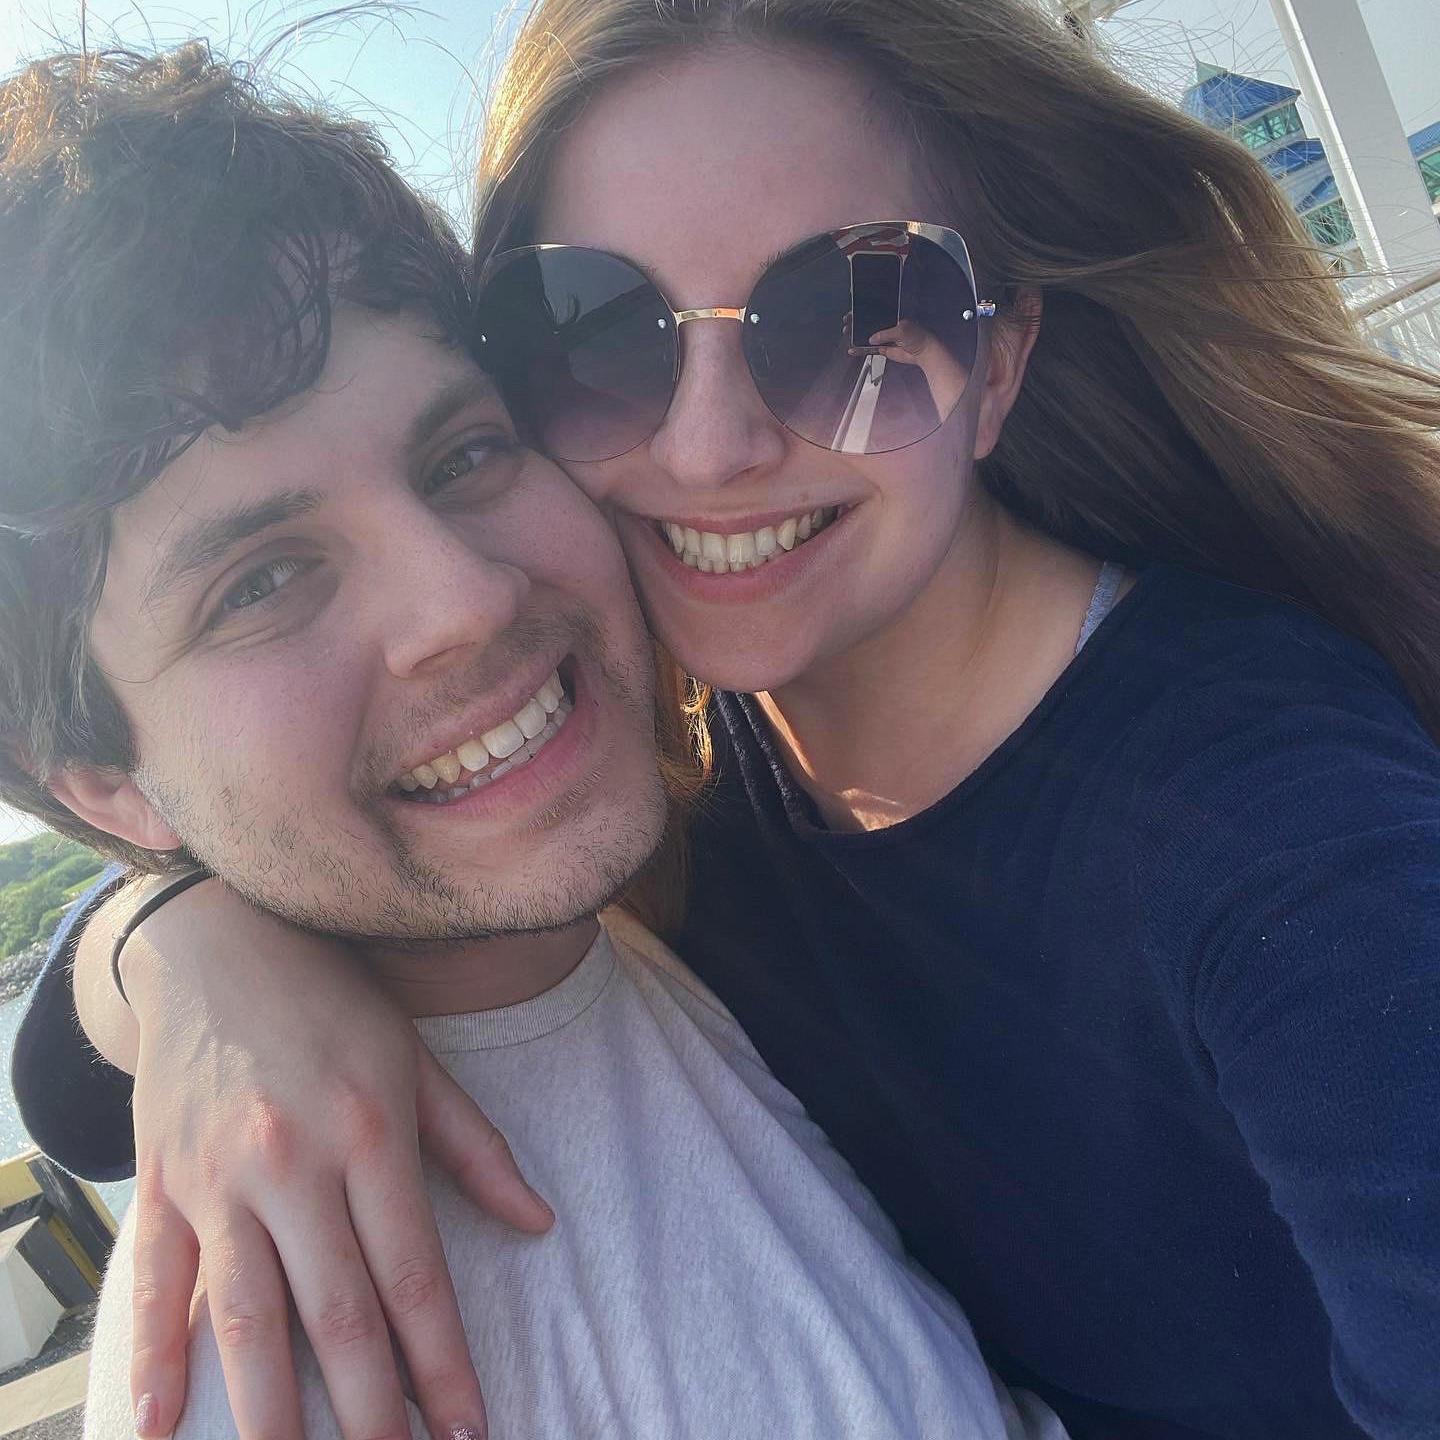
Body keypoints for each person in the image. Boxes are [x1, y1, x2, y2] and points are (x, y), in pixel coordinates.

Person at [14, 0, 1440, 1436]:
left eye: (853, 320)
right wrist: (171, 944)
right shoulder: (695, 774)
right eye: (601, 332)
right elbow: (70, 1063)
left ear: (1000, 359)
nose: (710, 445)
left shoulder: (1295, 852)